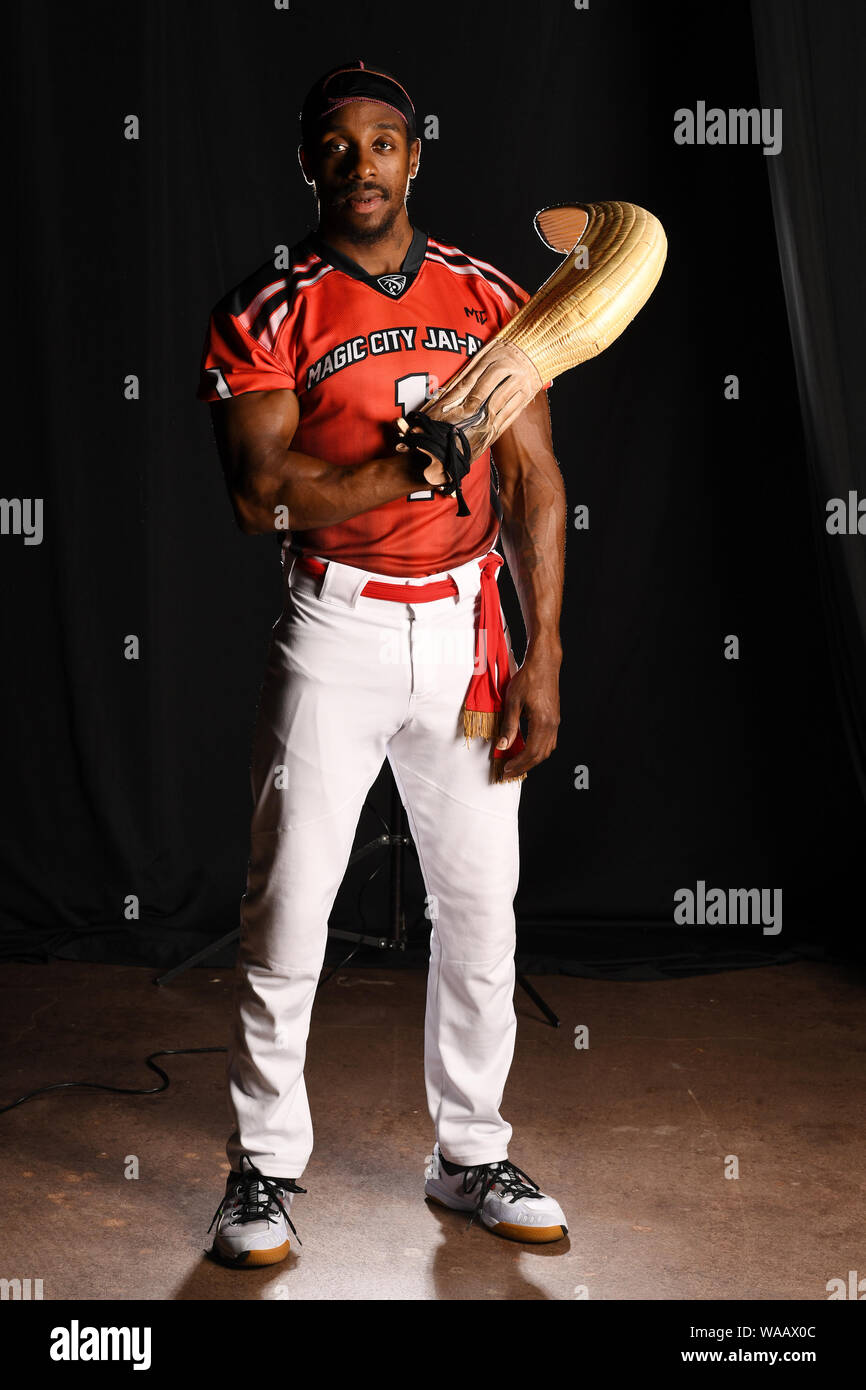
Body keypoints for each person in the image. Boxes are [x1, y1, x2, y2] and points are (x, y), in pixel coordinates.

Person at [197, 59, 568, 1267]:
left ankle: (469, 1153)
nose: (362, 163)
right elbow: (260, 499)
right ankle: (260, 1172)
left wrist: (544, 651)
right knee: (289, 907)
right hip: (337, 627)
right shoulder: (268, 306)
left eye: (384, 142)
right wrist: (392, 474)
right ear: (308, 161)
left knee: (479, 912)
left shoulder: (492, 293)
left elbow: (530, 481)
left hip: (467, 627)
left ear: (416, 154)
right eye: (336, 145)